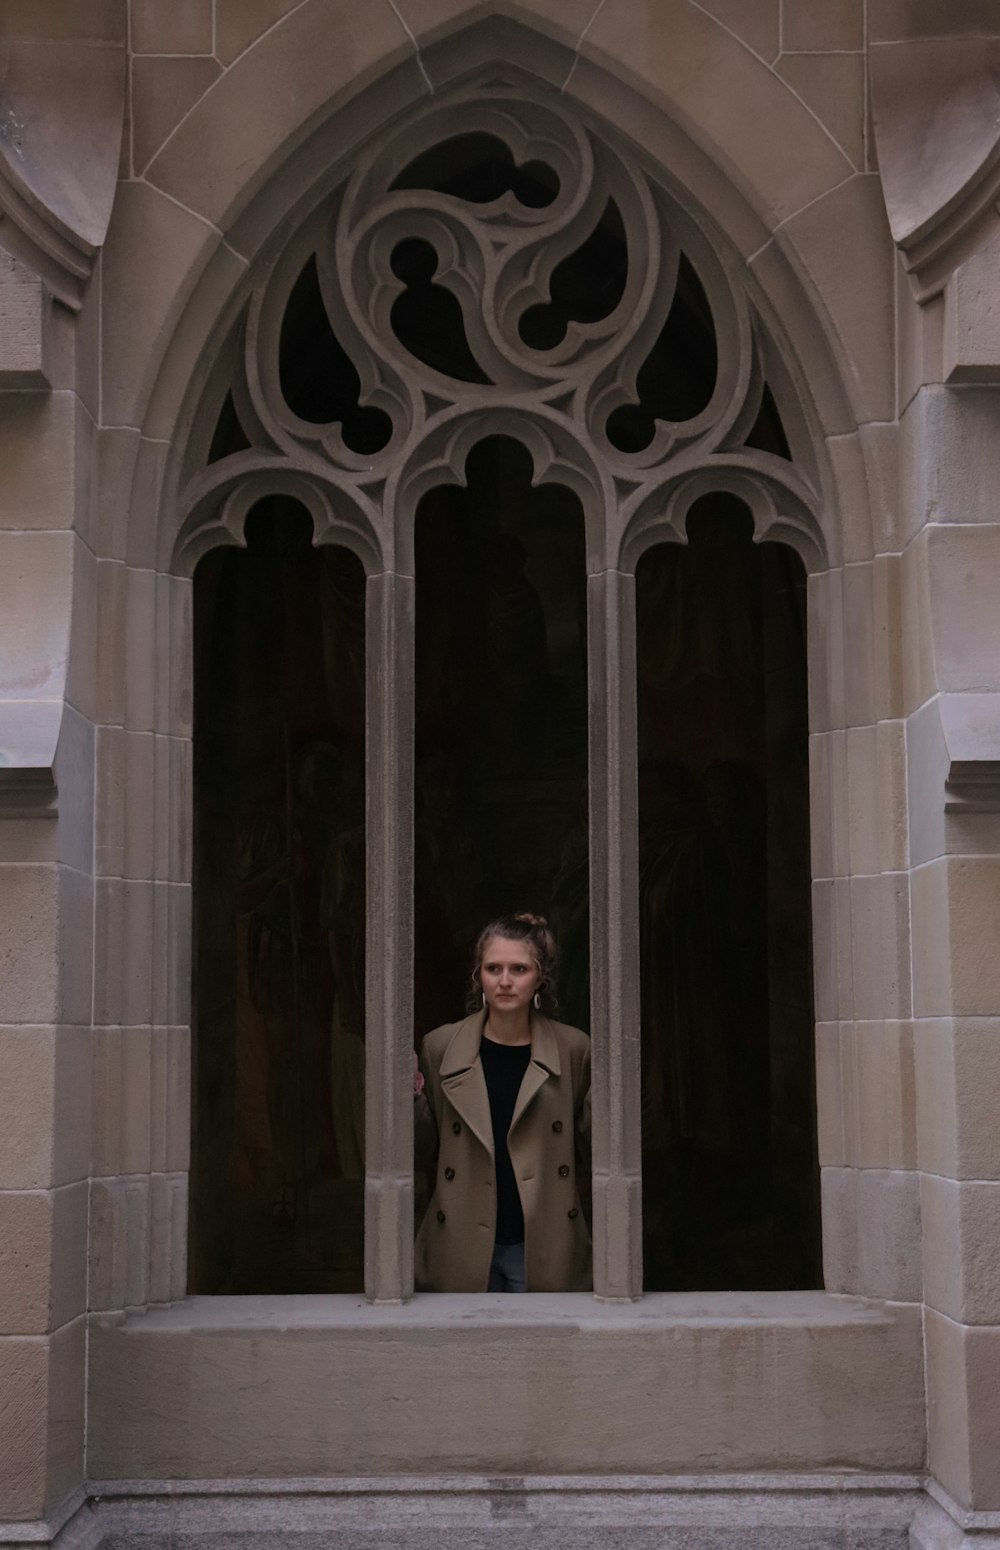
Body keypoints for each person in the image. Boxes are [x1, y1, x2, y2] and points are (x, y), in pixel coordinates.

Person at [413, 912, 592, 1292]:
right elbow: (420, 1146)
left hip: (542, 1244)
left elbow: (596, 1145)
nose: (505, 981)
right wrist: (403, 1093)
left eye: (519, 969)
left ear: (540, 976)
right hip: (461, 1242)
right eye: (494, 968)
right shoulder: (440, 1046)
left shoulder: (574, 1049)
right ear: (479, 975)